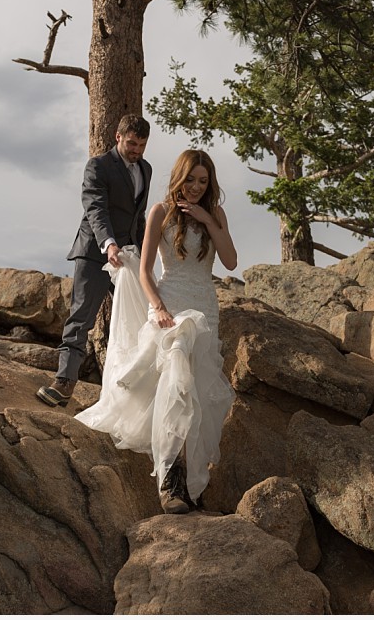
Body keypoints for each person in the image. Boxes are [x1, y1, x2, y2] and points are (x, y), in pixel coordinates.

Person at [74, 149, 237, 514]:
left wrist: (207, 220)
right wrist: (160, 309)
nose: (195, 187)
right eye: (191, 179)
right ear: (179, 176)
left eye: (203, 181)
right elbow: (146, 271)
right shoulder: (160, 212)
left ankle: (190, 479)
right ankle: (170, 479)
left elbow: (230, 260)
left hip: (204, 304)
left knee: (193, 392)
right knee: (176, 378)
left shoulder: (216, 214)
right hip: (170, 304)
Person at [37, 114, 152, 408]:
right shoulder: (98, 166)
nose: (136, 149)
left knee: (139, 319)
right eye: (131, 143)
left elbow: (138, 217)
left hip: (129, 257)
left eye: (141, 144)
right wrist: (109, 244)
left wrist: (141, 256)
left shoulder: (146, 169)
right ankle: (63, 384)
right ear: (118, 136)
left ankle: (135, 393)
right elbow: (95, 207)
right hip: (95, 253)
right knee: (81, 318)